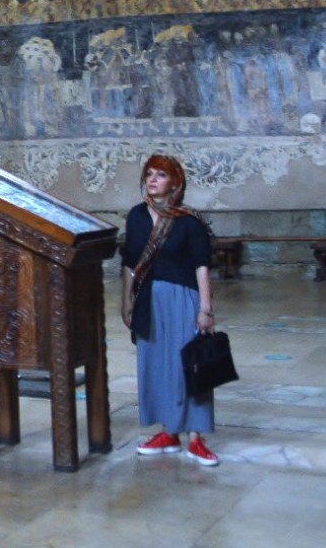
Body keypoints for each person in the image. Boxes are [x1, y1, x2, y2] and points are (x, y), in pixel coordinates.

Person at [121, 154, 220, 467]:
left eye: (160, 175)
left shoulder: (188, 221)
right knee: (157, 366)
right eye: (149, 174)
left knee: (188, 368)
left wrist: (205, 309)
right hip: (149, 301)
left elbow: (201, 266)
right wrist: (126, 301)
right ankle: (168, 431)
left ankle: (196, 438)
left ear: (175, 183)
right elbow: (129, 263)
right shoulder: (136, 217)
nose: (152, 179)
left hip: (182, 299)